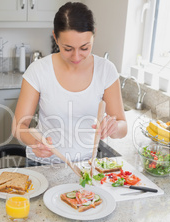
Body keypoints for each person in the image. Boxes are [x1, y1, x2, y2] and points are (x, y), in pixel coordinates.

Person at [12, 2, 127, 165]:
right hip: (42, 164)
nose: (76, 57)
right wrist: (35, 142)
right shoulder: (38, 70)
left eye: (84, 47)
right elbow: (19, 125)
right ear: (55, 37)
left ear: (94, 35)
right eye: (68, 48)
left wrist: (114, 127)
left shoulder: (106, 70)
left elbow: (122, 127)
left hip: (86, 166)